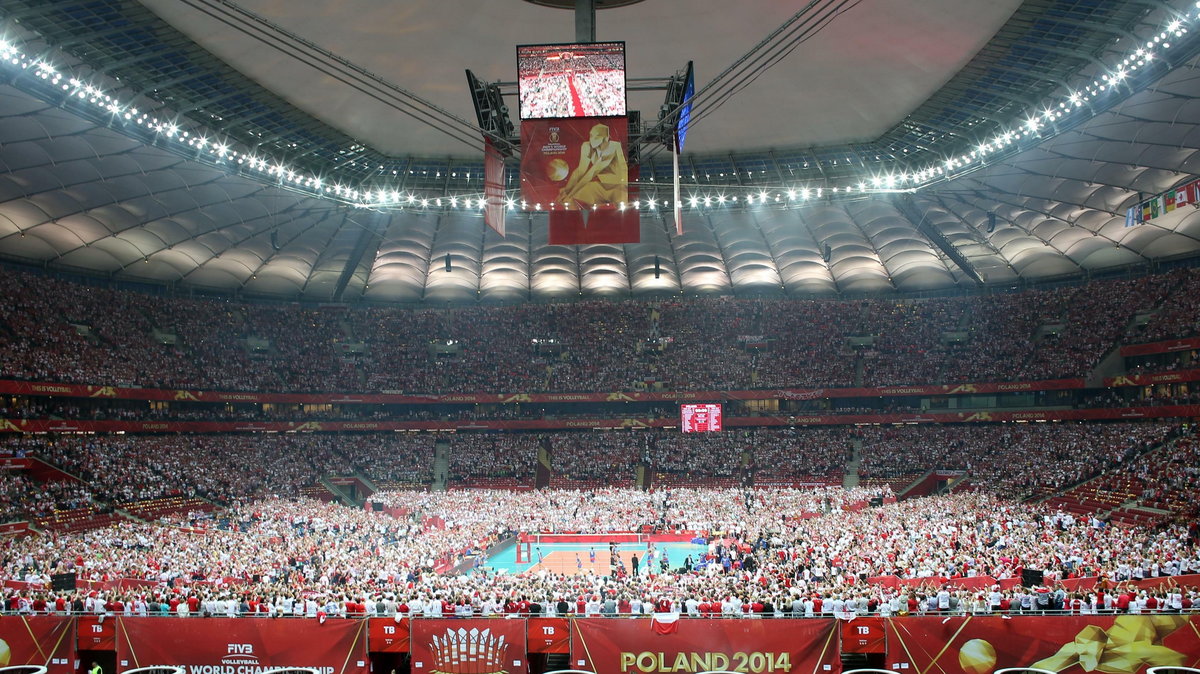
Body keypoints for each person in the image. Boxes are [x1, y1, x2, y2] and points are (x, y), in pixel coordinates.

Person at [557, 123, 627, 210]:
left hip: (619, 189)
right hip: (601, 187)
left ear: (605, 138)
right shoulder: (587, 146)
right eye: (591, 136)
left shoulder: (614, 147)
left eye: (596, 137)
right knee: (564, 193)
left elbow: (591, 174)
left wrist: (569, 194)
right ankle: (577, 220)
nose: (592, 140)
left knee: (569, 195)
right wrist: (567, 191)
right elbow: (580, 171)